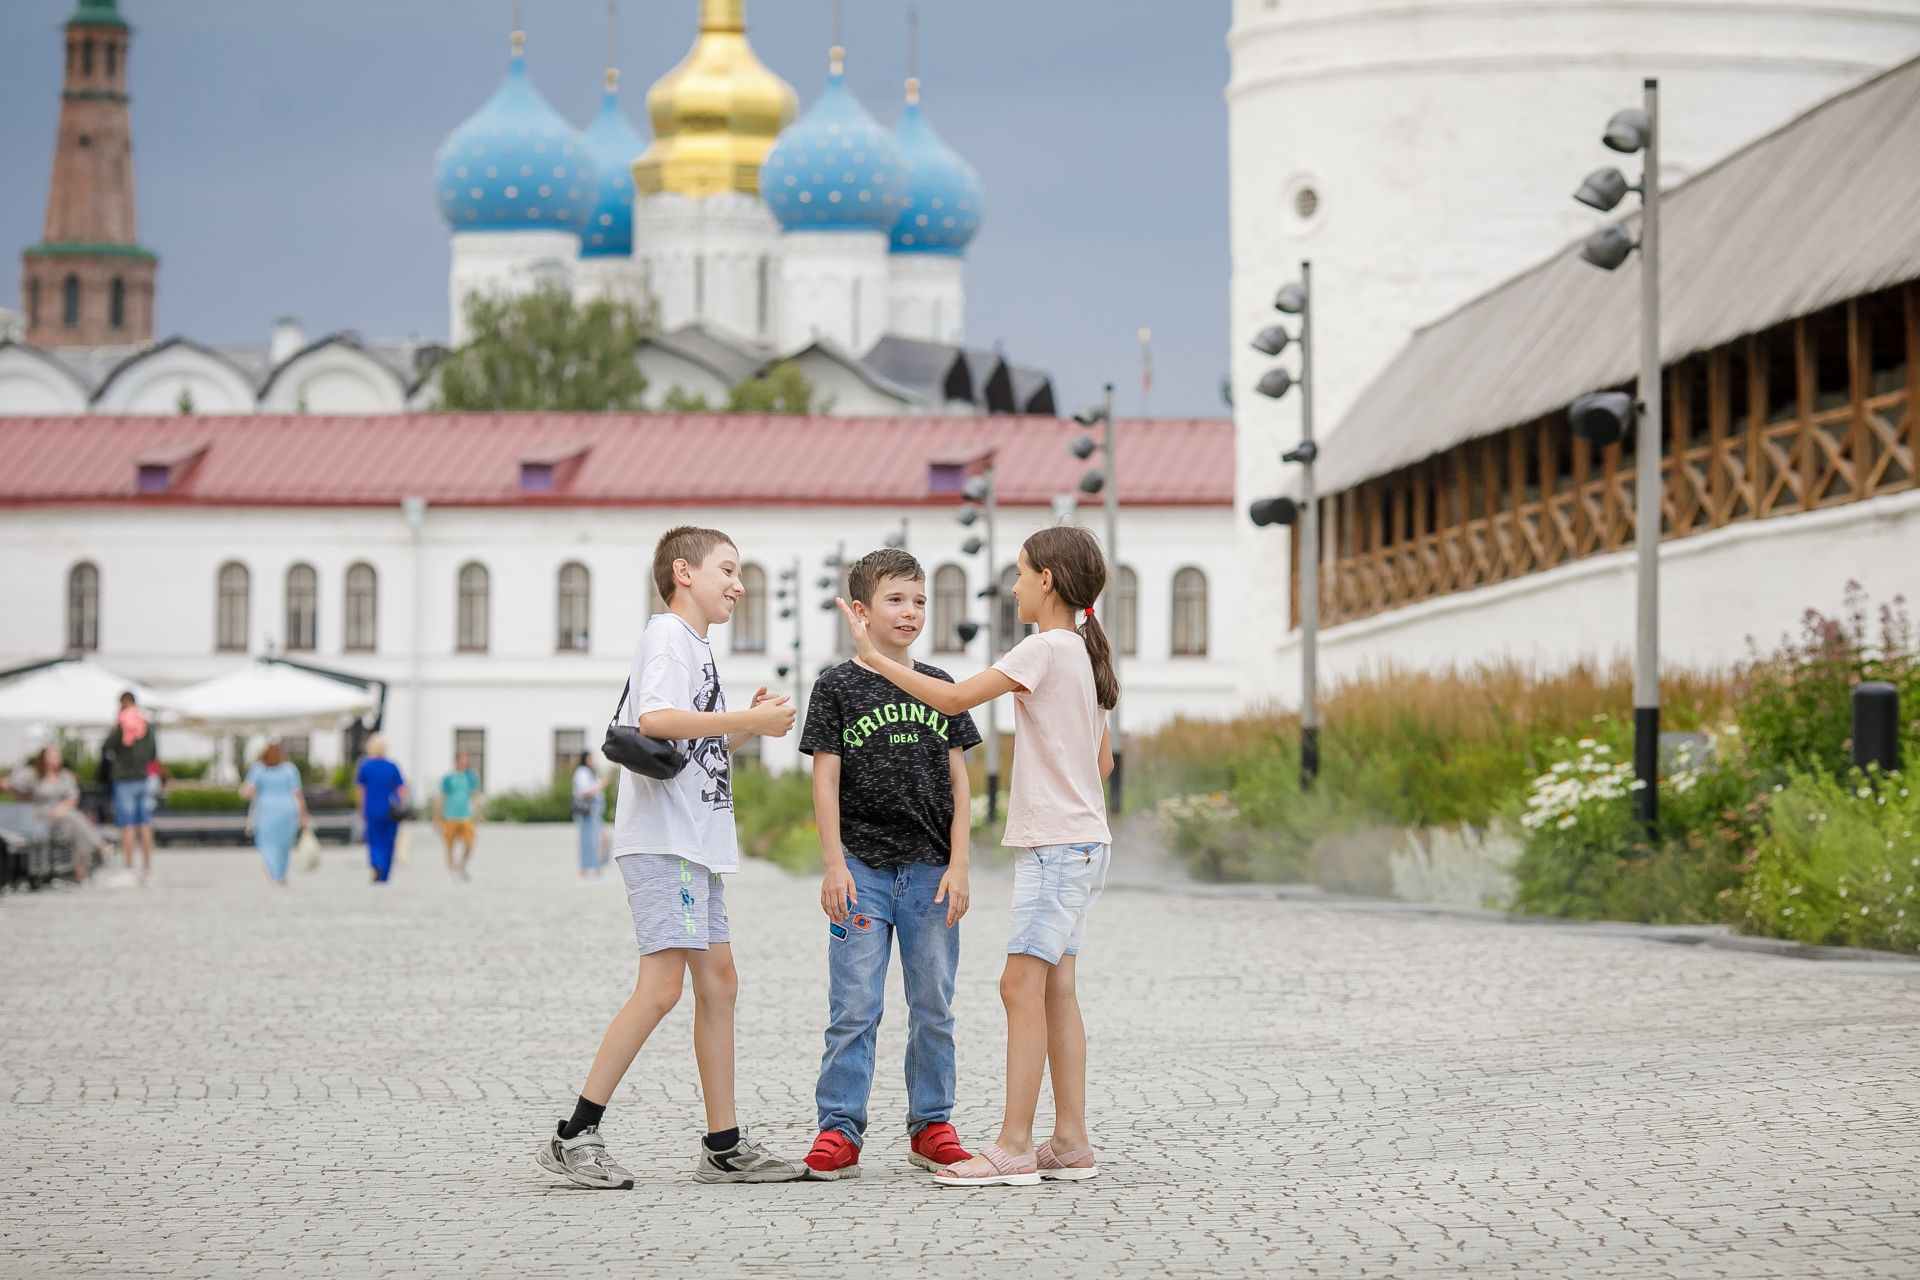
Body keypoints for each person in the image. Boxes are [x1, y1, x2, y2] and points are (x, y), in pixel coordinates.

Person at [835, 524, 1117, 1188]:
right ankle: (1070, 1141)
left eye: (1019, 574)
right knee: (1057, 991)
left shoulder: (1043, 647)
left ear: (1046, 580)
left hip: (1054, 849)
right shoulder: (1083, 651)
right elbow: (1101, 760)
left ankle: (1015, 1145)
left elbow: (957, 700)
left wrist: (876, 662)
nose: (1012, 586)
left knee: (1019, 986)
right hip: (1084, 843)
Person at [536, 525, 806, 1190]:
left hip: (695, 840)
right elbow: (655, 721)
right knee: (660, 989)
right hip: (666, 842)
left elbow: (692, 753)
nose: (738, 584)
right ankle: (574, 1135)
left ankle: (724, 1144)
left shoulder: (695, 648)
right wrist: (741, 719)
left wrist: (744, 724)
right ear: (684, 573)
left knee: (720, 984)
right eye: (727, 569)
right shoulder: (668, 638)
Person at [798, 549, 981, 1180]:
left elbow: (962, 785)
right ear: (859, 610)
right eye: (896, 600)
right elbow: (825, 782)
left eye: (920, 601)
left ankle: (932, 1124)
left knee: (933, 1002)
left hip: (931, 873)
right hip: (862, 871)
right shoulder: (837, 686)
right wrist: (833, 864)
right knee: (855, 1004)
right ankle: (839, 1128)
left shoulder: (940, 686)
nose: (911, 612)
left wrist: (960, 863)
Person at [100, 691, 158, 887]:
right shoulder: (145, 723)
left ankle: (128, 870)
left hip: (124, 779)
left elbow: (107, 747)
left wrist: (116, 728)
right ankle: (148, 871)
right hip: (143, 778)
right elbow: (153, 753)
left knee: (128, 826)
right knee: (145, 824)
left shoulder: (122, 722)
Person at [25, 745, 105, 885]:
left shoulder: (65, 775)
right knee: (75, 819)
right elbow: (18, 787)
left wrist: (60, 809)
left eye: (57, 756)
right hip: (44, 817)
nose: (56, 759)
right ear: (44, 758)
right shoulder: (35, 776)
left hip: (63, 816)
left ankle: (77, 871)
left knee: (72, 822)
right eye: (52, 756)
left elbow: (73, 798)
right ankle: (96, 848)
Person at [241, 741, 308, 887]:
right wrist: (303, 816)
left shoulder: (257, 769)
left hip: (266, 810)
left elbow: (247, 792)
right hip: (287, 809)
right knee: (284, 844)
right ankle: (281, 873)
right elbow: (297, 794)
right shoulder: (289, 769)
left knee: (267, 843)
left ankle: (273, 872)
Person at [353, 735, 406, 885]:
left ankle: (376, 863)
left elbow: (361, 790)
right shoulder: (392, 766)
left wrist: (361, 808)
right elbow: (402, 789)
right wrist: (402, 804)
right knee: (388, 842)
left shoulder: (365, 766)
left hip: (372, 808)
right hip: (391, 810)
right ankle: (385, 874)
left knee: (374, 840)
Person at [435, 752, 484, 881]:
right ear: (456, 761)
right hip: (450, 815)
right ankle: (452, 870)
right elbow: (441, 798)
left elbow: (475, 796)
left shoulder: (471, 777)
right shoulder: (448, 778)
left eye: (465, 761)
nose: (463, 763)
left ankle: (461, 866)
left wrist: (479, 814)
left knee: (469, 843)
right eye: (461, 760)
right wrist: (437, 818)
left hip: (466, 815)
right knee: (449, 845)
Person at [570, 751, 609, 881]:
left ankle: (595, 868)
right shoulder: (582, 772)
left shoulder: (588, 772)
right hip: (588, 811)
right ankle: (589, 869)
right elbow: (586, 791)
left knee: (600, 839)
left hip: (595, 811)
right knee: (590, 840)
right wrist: (601, 784)